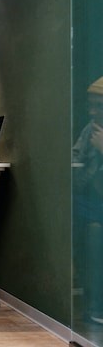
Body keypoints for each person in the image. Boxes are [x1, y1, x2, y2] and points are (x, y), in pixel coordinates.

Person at [72, 76, 103, 325]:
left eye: (99, 106)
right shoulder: (89, 129)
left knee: (93, 230)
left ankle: (96, 305)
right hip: (90, 201)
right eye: (90, 105)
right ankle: (92, 301)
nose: (93, 111)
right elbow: (74, 160)